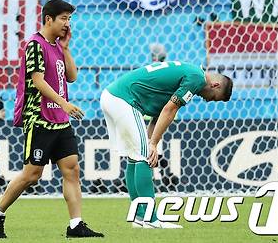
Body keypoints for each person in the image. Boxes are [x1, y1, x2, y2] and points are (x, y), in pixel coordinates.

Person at [0, 0, 104, 239]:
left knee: (72, 170)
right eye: (64, 18)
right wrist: (64, 103)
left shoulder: (58, 46)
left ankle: (75, 225)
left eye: (70, 19)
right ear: (49, 19)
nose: (68, 24)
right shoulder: (34, 44)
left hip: (60, 121)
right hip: (40, 119)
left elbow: (72, 77)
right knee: (32, 174)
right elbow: (37, 81)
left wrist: (66, 49)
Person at [100, 61, 233, 228]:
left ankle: (140, 216)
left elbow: (160, 115)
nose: (208, 101)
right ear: (215, 85)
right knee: (143, 157)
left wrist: (150, 142)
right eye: (213, 98)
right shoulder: (197, 78)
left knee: (135, 157)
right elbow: (170, 110)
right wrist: (153, 144)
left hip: (112, 97)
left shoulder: (188, 74)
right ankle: (152, 220)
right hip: (123, 100)